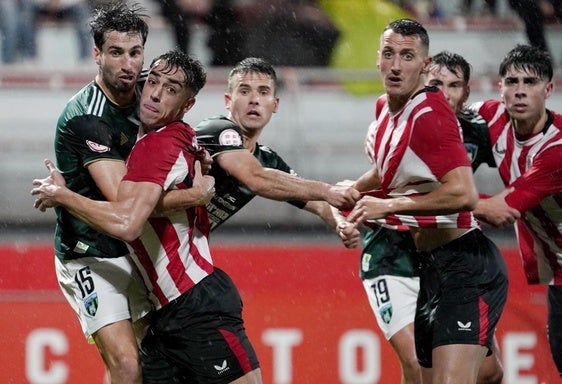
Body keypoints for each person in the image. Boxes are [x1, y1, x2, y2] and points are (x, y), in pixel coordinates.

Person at [32, 50, 264, 384]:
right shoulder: (162, 135)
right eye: (152, 82)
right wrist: (195, 193)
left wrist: (63, 196)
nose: (155, 93)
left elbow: (127, 222)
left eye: (171, 89)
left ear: (187, 105)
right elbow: (148, 201)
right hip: (164, 311)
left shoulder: (157, 145)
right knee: (129, 371)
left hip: (195, 302)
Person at [30, 3, 210, 383]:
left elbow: (178, 141)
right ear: (96, 54)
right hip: (91, 253)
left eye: (135, 52)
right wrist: (194, 196)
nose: (128, 65)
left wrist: (200, 159)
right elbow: (126, 208)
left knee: (153, 367)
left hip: (141, 252)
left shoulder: (151, 89)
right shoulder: (87, 118)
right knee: (127, 364)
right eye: (115, 53)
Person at [339, 18, 508, 384]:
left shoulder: (429, 114)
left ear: (425, 65)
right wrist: (348, 194)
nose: (396, 65)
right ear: (378, 59)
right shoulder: (387, 110)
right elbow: (384, 173)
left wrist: (390, 206)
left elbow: (464, 194)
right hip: (432, 265)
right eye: (389, 54)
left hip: (466, 265)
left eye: (407, 56)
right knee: (472, 376)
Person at [470, 44, 562, 377]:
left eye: (530, 82)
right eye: (512, 81)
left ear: (548, 89)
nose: (520, 90)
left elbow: (500, 212)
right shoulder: (491, 116)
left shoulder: (556, 148)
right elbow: (436, 116)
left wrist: (442, 197)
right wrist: (381, 127)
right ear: (500, 88)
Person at [195, 56, 361, 231]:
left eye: (263, 92)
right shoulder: (216, 129)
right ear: (228, 101)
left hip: (185, 244)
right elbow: (255, 178)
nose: (254, 100)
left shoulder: (266, 159)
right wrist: (327, 190)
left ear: (275, 104)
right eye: (244, 91)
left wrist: (340, 224)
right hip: (165, 234)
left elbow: (319, 204)